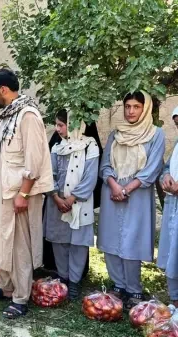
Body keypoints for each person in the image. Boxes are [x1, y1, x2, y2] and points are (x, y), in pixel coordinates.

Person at [0, 69, 53, 319]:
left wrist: (24, 193)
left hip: (18, 194)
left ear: (3, 89)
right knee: (3, 242)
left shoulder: (28, 115)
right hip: (2, 193)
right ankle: (6, 286)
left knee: (20, 246)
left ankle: (21, 297)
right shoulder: (8, 116)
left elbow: (34, 159)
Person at [98, 91, 165, 310]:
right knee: (110, 238)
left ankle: (134, 288)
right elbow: (105, 164)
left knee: (132, 240)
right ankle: (118, 285)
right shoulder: (116, 133)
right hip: (112, 192)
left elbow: (152, 168)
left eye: (136, 107)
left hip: (137, 194)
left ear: (145, 109)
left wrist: (126, 189)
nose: (131, 111)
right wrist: (115, 185)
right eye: (127, 106)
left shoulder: (156, 134)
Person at [44, 110, 100, 300]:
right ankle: (63, 278)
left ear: (75, 124)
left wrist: (71, 198)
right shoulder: (56, 147)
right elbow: (49, 174)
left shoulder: (89, 146)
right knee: (59, 242)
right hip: (56, 203)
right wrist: (56, 197)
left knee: (78, 244)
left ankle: (75, 282)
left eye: (61, 125)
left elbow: (90, 177)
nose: (58, 129)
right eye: (57, 125)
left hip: (79, 203)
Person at [158, 105, 178, 308]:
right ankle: (175, 301)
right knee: (173, 256)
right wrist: (166, 177)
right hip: (174, 207)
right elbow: (167, 167)